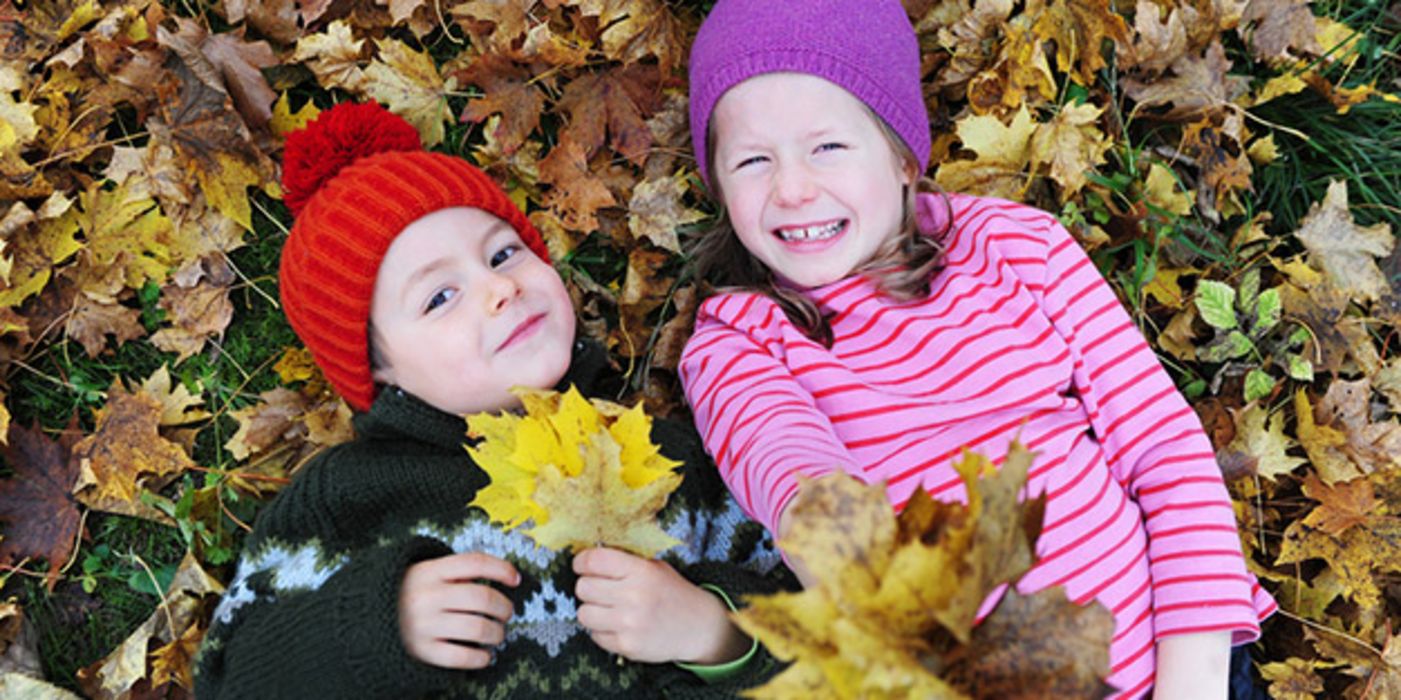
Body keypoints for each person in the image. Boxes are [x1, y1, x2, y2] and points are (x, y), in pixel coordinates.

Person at [676, 2, 1276, 698]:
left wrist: (1192, 679)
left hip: (1182, 666)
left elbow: (1161, 449)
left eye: (827, 147)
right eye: (752, 160)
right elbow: (784, 459)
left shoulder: (1014, 247)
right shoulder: (740, 340)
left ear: (901, 157)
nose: (792, 188)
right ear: (718, 186)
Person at [194, 101, 792, 699]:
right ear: (379, 369)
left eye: (503, 254)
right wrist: (371, 626)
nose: (501, 288)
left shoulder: (665, 459)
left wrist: (714, 634)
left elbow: (829, 631)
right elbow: (230, 681)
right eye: (440, 297)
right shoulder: (345, 497)